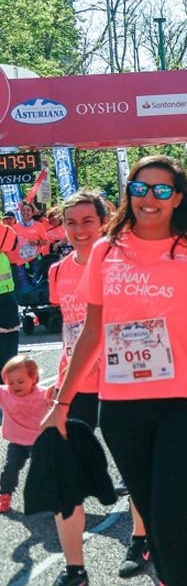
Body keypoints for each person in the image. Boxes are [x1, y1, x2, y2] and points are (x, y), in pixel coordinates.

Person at [42, 154, 187, 586]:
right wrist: (62, 399)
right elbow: (92, 332)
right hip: (121, 407)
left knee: (170, 520)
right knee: (155, 522)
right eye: (139, 188)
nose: (148, 198)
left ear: (177, 198)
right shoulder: (105, 250)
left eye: (160, 190)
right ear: (128, 195)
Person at [48, 190, 151, 585]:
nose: (78, 230)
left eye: (86, 221)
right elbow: (70, 330)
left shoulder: (124, 263)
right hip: (76, 385)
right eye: (71, 222)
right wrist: (60, 383)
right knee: (65, 471)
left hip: (121, 379)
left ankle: (140, 539)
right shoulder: (59, 272)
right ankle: (75, 568)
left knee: (133, 467)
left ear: (104, 221)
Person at [0, 354, 50, 514]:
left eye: (20, 382)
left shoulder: (44, 394)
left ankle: (51, 496)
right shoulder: (5, 394)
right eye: (10, 382)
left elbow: (61, 399)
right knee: (10, 468)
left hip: (41, 441)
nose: (15, 386)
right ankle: (5, 494)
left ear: (33, 379)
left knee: (44, 470)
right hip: (17, 441)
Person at [0, 217, 18, 371]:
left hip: (5, 294)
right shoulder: (4, 231)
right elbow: (13, 241)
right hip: (5, 294)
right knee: (9, 339)